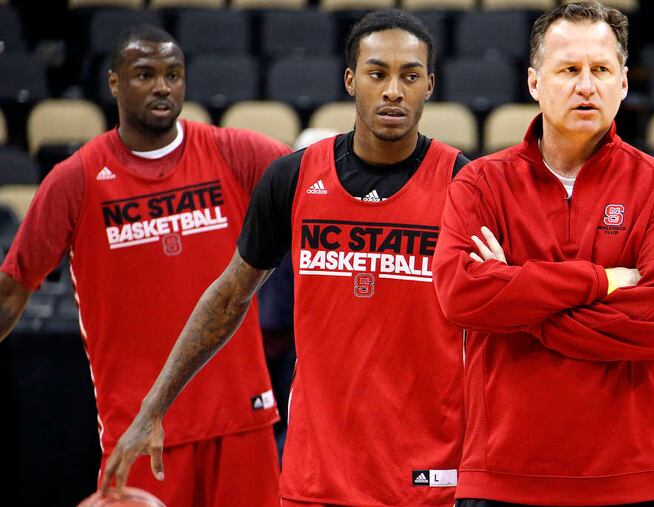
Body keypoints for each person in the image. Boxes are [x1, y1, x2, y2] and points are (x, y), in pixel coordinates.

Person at [103, 9, 468, 507]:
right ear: (350, 79)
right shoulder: (292, 178)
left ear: (429, 85)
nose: (392, 91)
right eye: (377, 73)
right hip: (315, 476)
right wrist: (153, 406)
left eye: (410, 76)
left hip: (427, 476)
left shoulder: (462, 185)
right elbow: (229, 296)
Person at [0, 25, 290, 507]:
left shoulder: (235, 152)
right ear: (114, 83)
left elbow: (321, 188)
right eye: (145, 74)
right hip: (143, 429)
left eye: (173, 75)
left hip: (242, 417)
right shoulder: (77, 178)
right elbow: (12, 291)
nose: (162, 86)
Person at [432, 2, 654, 507]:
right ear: (534, 82)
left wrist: (516, 297)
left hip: (636, 477)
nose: (586, 85)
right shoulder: (480, 184)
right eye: (568, 69)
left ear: (623, 83)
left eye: (601, 69)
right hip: (501, 477)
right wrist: (599, 282)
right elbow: (459, 296)